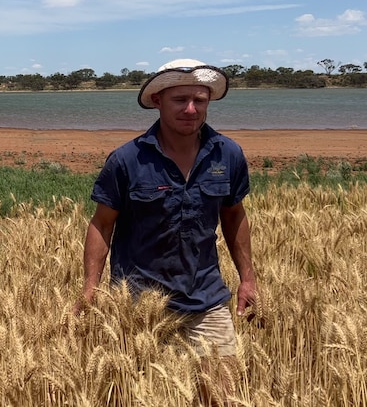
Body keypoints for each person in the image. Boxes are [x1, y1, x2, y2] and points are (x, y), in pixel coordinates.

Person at [74, 58, 257, 405]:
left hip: (207, 301)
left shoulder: (228, 154)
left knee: (224, 397)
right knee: (140, 397)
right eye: (180, 100)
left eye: (199, 100)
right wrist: (90, 289)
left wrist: (247, 278)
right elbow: (101, 224)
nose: (191, 109)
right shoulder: (127, 160)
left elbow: (234, 215)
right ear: (158, 100)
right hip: (138, 307)